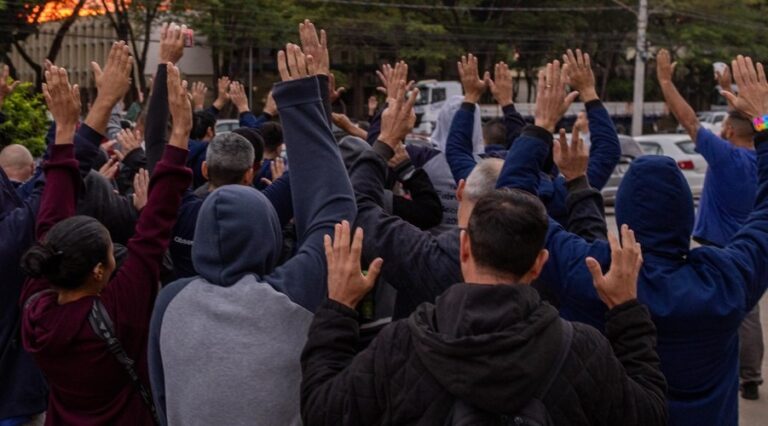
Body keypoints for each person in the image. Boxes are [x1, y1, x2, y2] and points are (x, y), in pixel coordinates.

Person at [498, 56, 768, 426]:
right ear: (684, 216)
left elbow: (509, 208)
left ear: (622, 214)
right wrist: (763, 120)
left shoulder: (591, 272)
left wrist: (541, 126)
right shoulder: (725, 282)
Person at [300, 191, 667, 425]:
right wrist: (626, 310)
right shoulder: (582, 349)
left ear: (464, 250)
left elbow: (321, 410)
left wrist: (339, 306)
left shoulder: (399, 345)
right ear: (538, 264)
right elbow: (650, 414)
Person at [147, 22, 356, 425]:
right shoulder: (292, 293)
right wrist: (309, 101)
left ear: (203, 170)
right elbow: (329, 204)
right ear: (254, 173)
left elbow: (162, 395)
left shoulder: (169, 302)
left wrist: (165, 72)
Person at [19, 46, 191, 425]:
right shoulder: (121, 307)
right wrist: (179, 131)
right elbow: (153, 228)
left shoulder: (37, 306)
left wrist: (72, 125)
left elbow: (56, 208)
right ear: (99, 270)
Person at [658, 49, 763, 400]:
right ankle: (751, 377)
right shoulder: (760, 160)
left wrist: (666, 82)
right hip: (754, 247)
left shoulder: (725, 155)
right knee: (750, 314)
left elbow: (689, 120)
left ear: (729, 129)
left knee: (718, 314)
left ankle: (725, 368)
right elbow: (758, 127)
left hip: (718, 246)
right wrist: (749, 103)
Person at [446, 50, 620, 227]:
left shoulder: (484, 189)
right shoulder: (559, 198)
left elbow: (456, 150)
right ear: (551, 162)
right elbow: (608, 151)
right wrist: (588, 92)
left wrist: (471, 96)